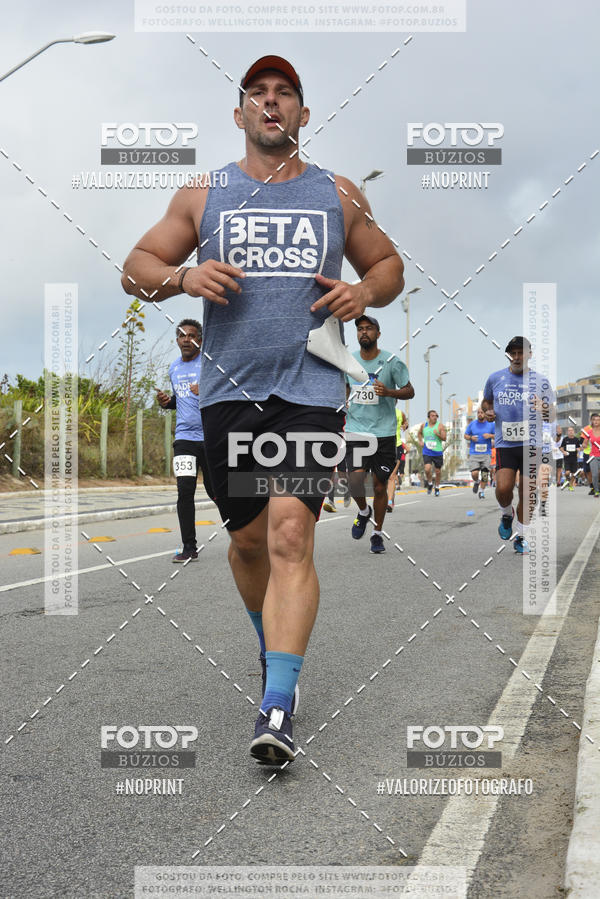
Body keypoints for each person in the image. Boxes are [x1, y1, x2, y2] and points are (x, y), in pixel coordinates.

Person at [121, 55, 405, 764]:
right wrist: (184, 274)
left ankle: (278, 701)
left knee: (287, 536)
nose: (271, 104)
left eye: (285, 95)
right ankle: (270, 640)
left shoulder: (337, 194)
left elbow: (390, 266)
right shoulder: (204, 193)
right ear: (241, 114)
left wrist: (362, 294)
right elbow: (135, 266)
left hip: (310, 392)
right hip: (227, 395)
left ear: (304, 115)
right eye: (258, 95)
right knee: (247, 543)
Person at [344, 316, 414, 553]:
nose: (364, 332)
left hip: (384, 433)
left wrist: (390, 392)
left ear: (378, 333)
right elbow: (345, 388)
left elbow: (409, 391)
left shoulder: (391, 362)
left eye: (369, 329)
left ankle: (377, 533)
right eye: (360, 329)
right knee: (354, 481)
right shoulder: (349, 361)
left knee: (380, 487)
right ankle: (364, 511)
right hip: (356, 430)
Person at [481, 335, 556, 554]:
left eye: (520, 352)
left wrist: (543, 407)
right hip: (506, 444)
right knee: (503, 489)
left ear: (529, 354)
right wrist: (487, 412)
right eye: (512, 353)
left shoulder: (541, 381)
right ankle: (506, 514)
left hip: (532, 444)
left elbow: (551, 415)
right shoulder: (495, 379)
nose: (516, 357)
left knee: (527, 490)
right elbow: (486, 402)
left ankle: (521, 535)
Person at [156, 319, 214, 562]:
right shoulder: (174, 368)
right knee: (185, 491)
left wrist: (209, 390)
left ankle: (245, 535)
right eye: (182, 336)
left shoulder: (210, 364)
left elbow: (229, 392)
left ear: (199, 340)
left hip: (211, 437)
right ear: (177, 340)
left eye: (192, 335)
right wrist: (168, 402)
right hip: (184, 439)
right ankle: (189, 547)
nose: (186, 339)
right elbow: (182, 401)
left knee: (217, 491)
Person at [464, 407, 495, 498]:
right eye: (478, 412)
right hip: (474, 453)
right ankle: (477, 481)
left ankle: (481, 491)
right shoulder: (472, 424)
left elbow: (497, 435)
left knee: (485, 474)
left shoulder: (491, 424)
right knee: (474, 473)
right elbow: (465, 435)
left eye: (481, 412)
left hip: (486, 453)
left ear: (485, 414)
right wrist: (471, 438)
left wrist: (490, 435)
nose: (480, 414)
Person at [417, 410, 446, 496]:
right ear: (429, 417)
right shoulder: (424, 425)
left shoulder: (440, 426)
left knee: (437, 471)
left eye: (436, 416)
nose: (435, 417)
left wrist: (438, 434)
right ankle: (430, 483)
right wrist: (420, 441)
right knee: (427, 469)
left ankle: (437, 487)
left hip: (437, 452)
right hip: (427, 451)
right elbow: (419, 433)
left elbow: (444, 438)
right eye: (433, 416)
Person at [387, 408, 408, 512]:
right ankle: (390, 497)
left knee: (392, 476)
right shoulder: (378, 409)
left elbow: (405, 422)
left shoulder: (400, 413)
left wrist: (405, 426)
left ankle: (390, 502)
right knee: (382, 478)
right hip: (381, 446)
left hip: (397, 445)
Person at [581, 413, 600, 497]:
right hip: (593, 456)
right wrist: (583, 446)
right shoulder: (589, 432)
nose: (596, 421)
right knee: (595, 474)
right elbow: (585, 443)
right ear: (592, 421)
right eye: (594, 420)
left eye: (598, 420)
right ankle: (596, 490)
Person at [560, 426, 582, 492]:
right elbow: (561, 447)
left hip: (574, 458)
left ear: (574, 432)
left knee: (574, 473)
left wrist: (578, 450)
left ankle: (570, 485)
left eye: (572, 430)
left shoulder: (576, 439)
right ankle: (567, 479)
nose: (570, 431)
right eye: (569, 430)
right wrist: (563, 452)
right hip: (567, 458)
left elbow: (579, 448)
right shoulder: (565, 439)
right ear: (567, 432)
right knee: (567, 472)